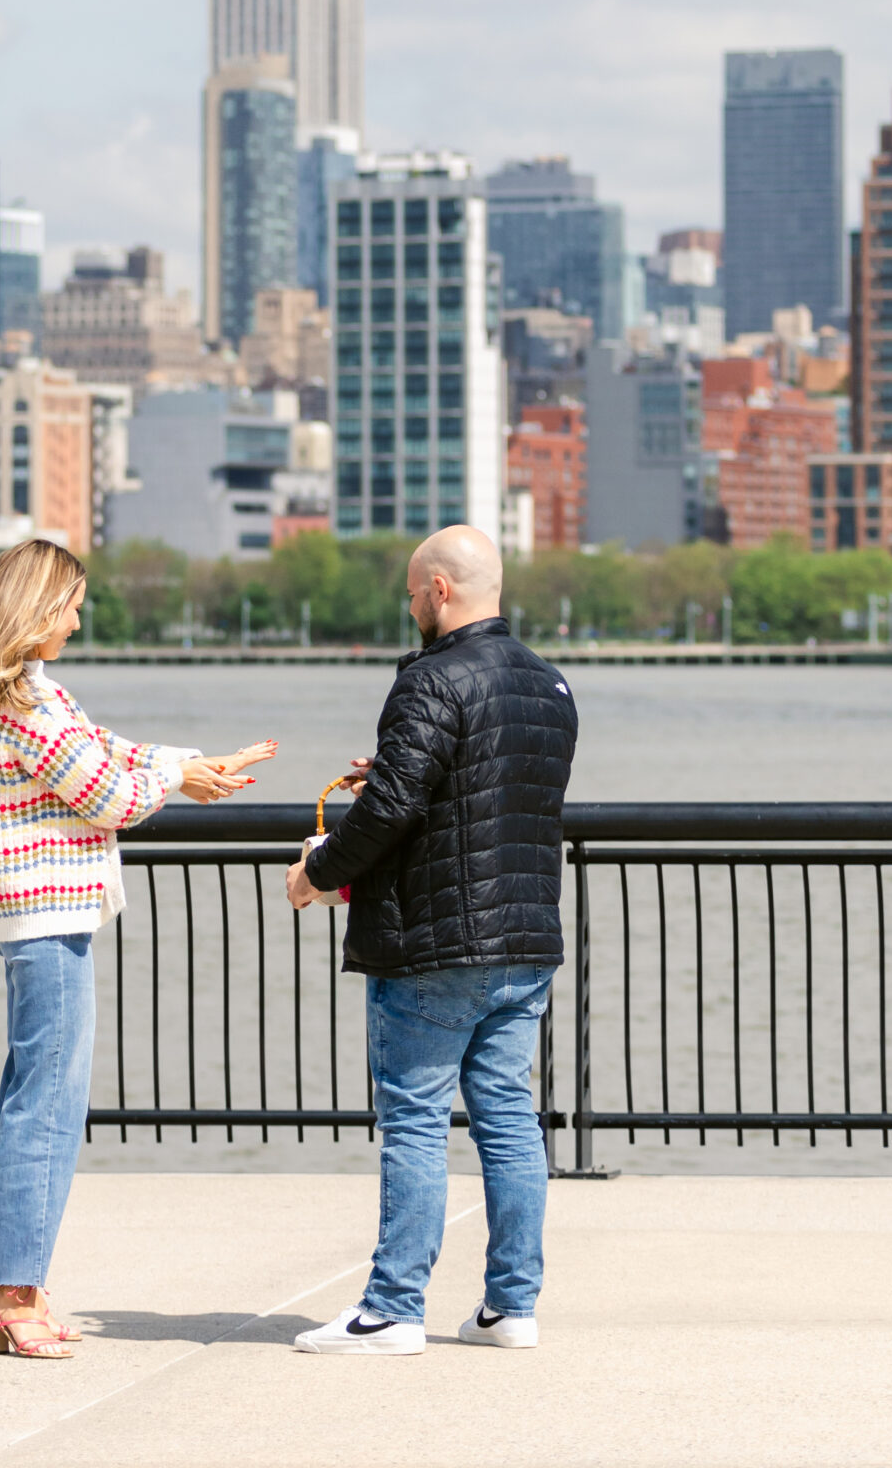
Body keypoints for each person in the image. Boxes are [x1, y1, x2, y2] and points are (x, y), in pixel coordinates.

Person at [0, 537, 275, 1360]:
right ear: (39, 611)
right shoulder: (24, 705)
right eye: (72, 603)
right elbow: (108, 795)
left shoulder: (33, 695)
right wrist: (181, 780)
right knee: (44, 1108)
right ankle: (11, 1294)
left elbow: (110, 754)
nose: (80, 616)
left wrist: (192, 766)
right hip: (47, 922)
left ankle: (20, 1286)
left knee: (49, 1103)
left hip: (49, 918)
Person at [285, 524, 576, 1357]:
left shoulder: (430, 681)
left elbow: (389, 815)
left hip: (436, 945)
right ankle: (511, 1307)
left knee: (413, 1120)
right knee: (510, 1120)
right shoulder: (549, 686)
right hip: (525, 938)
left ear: (440, 591)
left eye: (413, 592)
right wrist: (401, 771)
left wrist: (318, 873)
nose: (409, 605)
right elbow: (489, 791)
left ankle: (391, 1310)